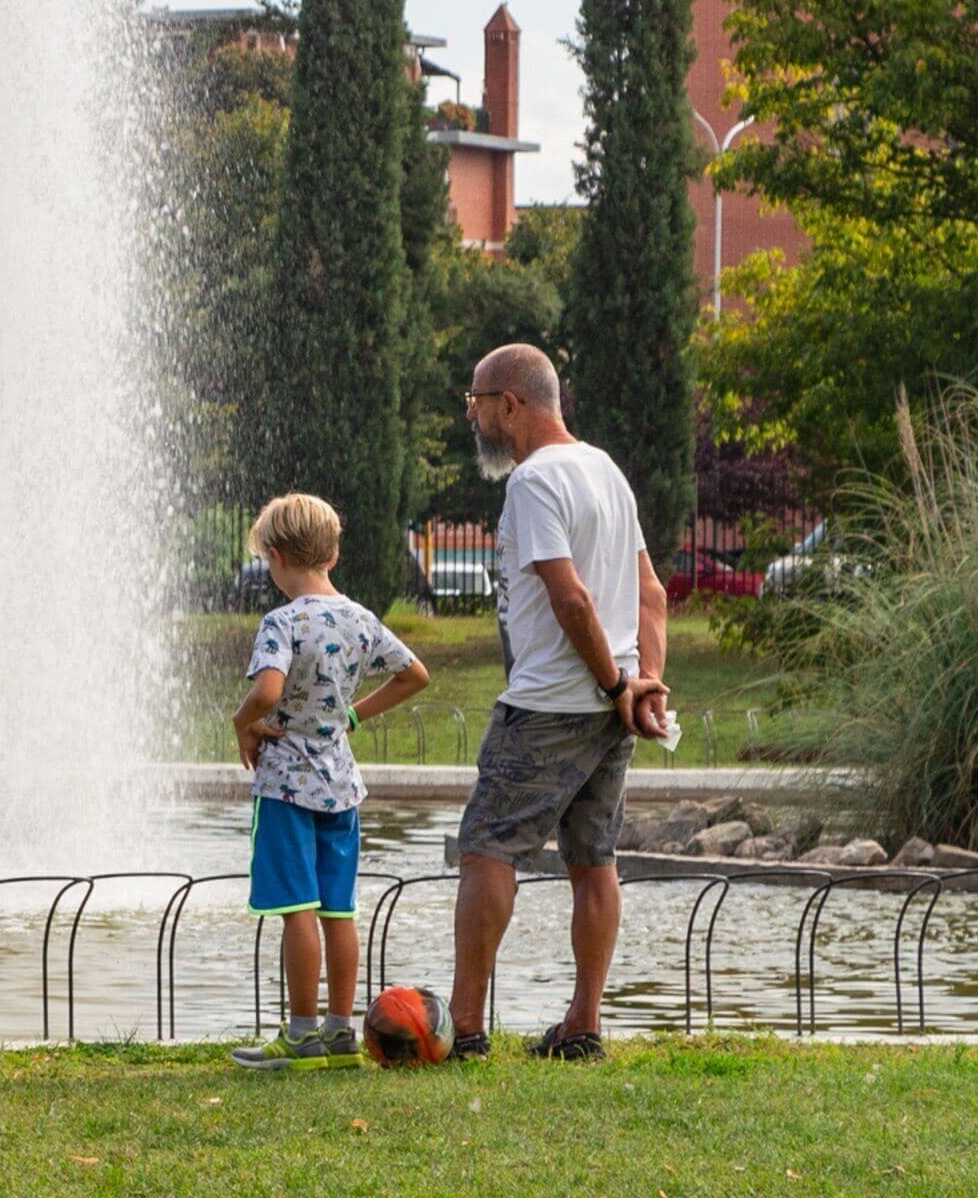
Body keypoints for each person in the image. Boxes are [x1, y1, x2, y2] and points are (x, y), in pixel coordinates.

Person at [448, 342, 674, 1064]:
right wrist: (644, 686)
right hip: (611, 710)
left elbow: (568, 594)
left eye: (477, 402)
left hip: (552, 704)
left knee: (488, 848)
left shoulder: (534, 481)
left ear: (510, 405)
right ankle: (583, 1026)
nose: (474, 416)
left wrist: (615, 685)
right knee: (593, 860)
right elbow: (652, 596)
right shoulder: (605, 470)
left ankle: (465, 1027)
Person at [229, 491, 431, 1067]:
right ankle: (341, 1033)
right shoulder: (359, 619)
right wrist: (350, 715)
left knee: (298, 908)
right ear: (332, 555)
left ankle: (300, 1035)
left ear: (275, 556)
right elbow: (415, 674)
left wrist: (243, 720)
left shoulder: (282, 622)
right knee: (338, 911)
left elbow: (267, 691)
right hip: (341, 784)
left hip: (287, 787)